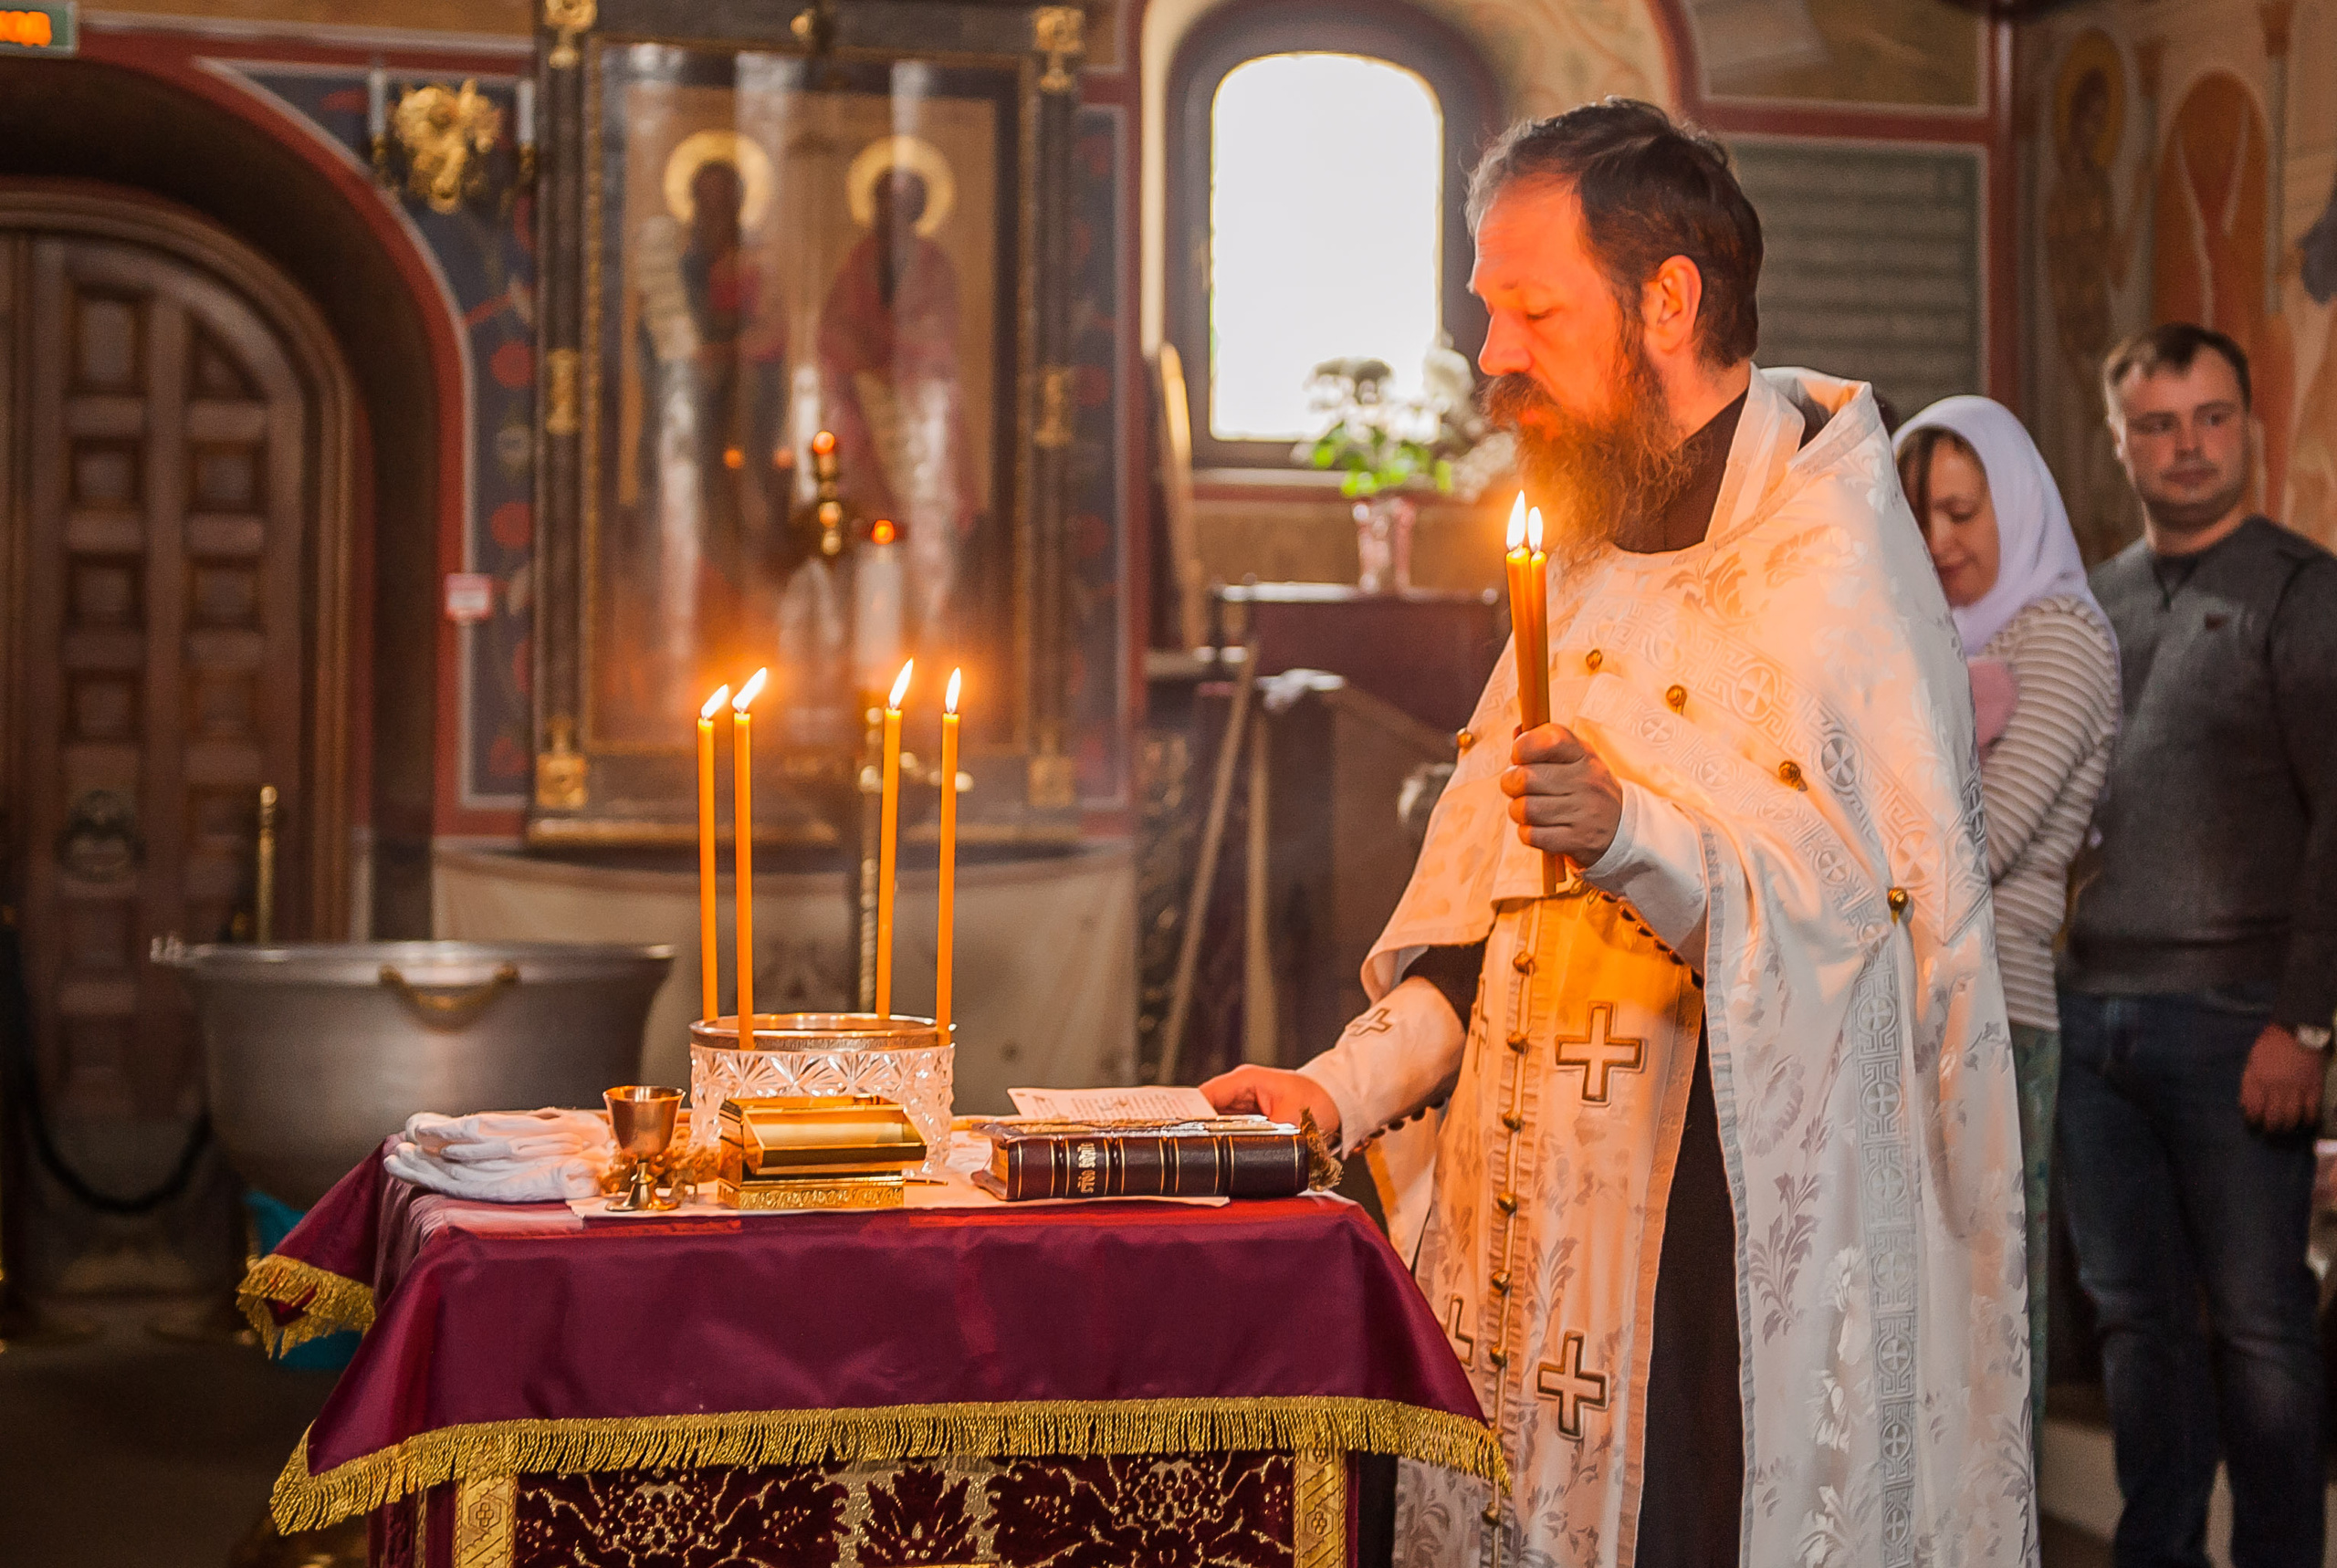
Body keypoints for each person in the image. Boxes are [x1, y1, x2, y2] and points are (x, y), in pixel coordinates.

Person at [1201, 99, 2035, 1568]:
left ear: (1669, 299)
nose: (1492, 354)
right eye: (1488, 309)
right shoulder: (1583, 551)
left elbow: (1868, 946)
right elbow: (1481, 939)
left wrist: (1632, 832)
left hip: (1709, 1282)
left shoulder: (1833, 568)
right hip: (1519, 1256)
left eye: (1532, 310)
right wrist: (1327, 1094)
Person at [2059, 321, 2337, 1568]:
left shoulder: (2302, 591)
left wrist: (2306, 1021)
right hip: (2092, 1018)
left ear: (2250, 429)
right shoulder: (2093, 600)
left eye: (2212, 418)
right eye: (2158, 424)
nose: (2188, 445)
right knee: (2134, 1324)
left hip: (2238, 1019)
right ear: (2119, 442)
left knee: (2264, 1329)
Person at [1892, 396, 2121, 1449]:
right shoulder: (1938, 638)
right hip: (1916, 1001)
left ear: (2017, 504)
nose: (1938, 541)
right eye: (1919, 516)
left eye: (1961, 511)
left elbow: (1976, 844)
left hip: (1998, 1011)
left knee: (1984, 1320)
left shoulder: (2057, 635)